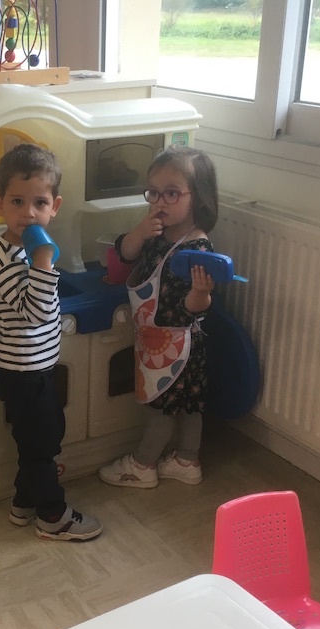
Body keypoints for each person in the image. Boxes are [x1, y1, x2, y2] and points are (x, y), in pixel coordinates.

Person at [0, 143, 103, 541]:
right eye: (17, 201)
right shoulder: (8, 260)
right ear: (0, 203)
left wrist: (41, 262)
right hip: (20, 371)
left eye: (39, 203)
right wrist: (45, 263)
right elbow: (34, 312)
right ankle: (53, 516)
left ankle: (24, 502)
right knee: (40, 445)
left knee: (41, 436)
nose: (28, 214)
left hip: (32, 366)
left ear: (54, 207)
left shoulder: (25, 252)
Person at [98, 145, 219, 489]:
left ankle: (142, 465)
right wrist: (139, 231)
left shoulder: (198, 248)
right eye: (154, 192)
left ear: (198, 197)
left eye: (172, 193)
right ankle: (186, 461)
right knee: (185, 402)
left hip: (180, 343)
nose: (160, 202)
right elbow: (125, 253)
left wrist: (201, 293)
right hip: (154, 339)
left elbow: (196, 307)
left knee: (164, 407)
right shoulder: (157, 233)